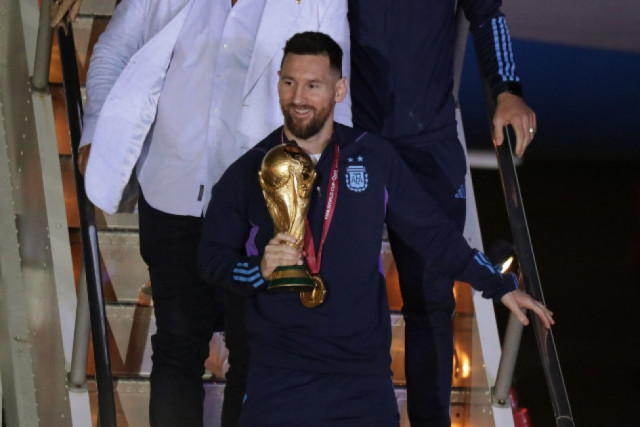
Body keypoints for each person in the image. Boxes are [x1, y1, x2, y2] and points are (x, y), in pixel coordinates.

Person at [198, 31, 553, 427]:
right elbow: (211, 260)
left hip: (361, 380)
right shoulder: (250, 169)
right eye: (289, 82)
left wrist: (499, 285)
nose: (298, 97)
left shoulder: (373, 157)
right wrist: (257, 270)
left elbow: (433, 234)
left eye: (313, 85)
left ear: (340, 89)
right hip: (279, 377)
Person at [79, 1, 351, 426]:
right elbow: (115, 48)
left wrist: (324, 201)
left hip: (261, 209)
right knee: (176, 345)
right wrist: (96, 130)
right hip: (173, 189)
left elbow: (334, 93)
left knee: (254, 354)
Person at [348, 1, 538, 425]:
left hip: (427, 147)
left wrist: (507, 90)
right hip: (353, 139)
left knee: (431, 304)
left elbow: (487, 15)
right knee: (347, 298)